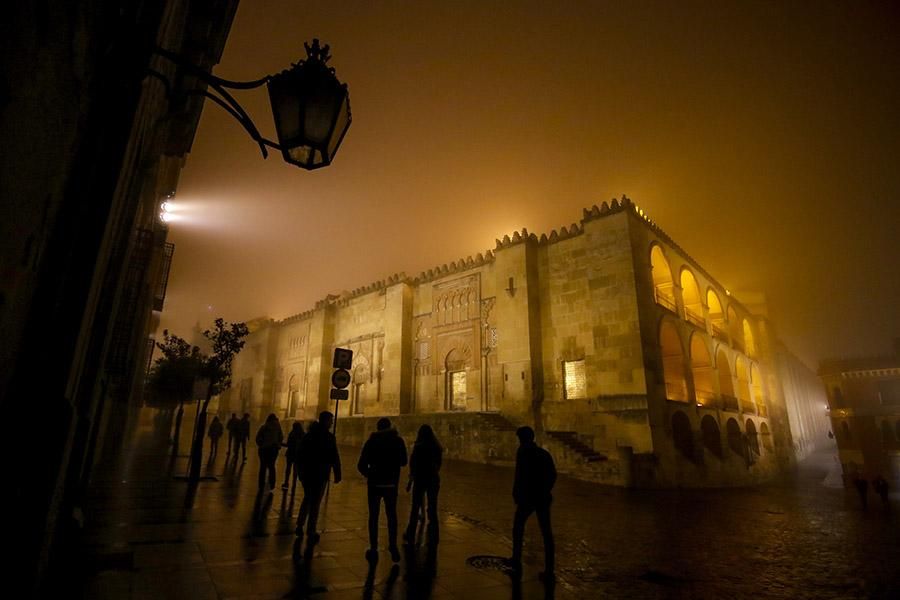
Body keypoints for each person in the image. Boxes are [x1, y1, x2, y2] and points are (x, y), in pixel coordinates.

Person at [358, 417, 408, 563]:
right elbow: (404, 462)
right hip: (391, 484)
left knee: (373, 516)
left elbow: (361, 465)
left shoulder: (371, 442)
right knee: (391, 515)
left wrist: (371, 475)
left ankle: (373, 547)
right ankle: (393, 546)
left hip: (374, 485)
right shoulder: (398, 441)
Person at [509, 426, 556, 580]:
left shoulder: (523, 453)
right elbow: (552, 475)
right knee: (546, 533)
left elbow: (520, 475)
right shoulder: (543, 454)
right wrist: (545, 490)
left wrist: (517, 493)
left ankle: (516, 557)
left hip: (528, 498)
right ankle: (549, 570)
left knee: (518, 527)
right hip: (542, 497)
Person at [295, 412, 342, 545]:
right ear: (325, 421)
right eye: (330, 420)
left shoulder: (309, 435)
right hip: (320, 474)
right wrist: (337, 473)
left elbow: (300, 454)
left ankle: (300, 524)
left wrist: (300, 472)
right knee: (315, 503)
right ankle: (310, 529)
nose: (332, 423)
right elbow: (334, 456)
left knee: (308, 499)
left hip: (308, 474)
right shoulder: (328, 437)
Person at [404, 424, 442, 546]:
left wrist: (411, 478)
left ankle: (410, 533)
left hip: (420, 479)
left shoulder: (418, 447)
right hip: (433, 479)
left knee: (415, 507)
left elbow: (413, 464)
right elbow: (438, 464)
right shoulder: (437, 447)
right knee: (432, 507)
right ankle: (434, 534)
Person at [255, 413, 283, 493]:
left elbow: (258, 438)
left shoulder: (264, 427)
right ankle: (272, 485)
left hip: (264, 449)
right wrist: (278, 444)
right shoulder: (278, 428)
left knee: (263, 467)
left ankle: (261, 485)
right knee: (272, 467)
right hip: (273, 450)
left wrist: (261, 444)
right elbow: (281, 437)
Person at [282, 421, 305, 491]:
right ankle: (294, 483)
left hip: (290, 454)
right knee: (295, 470)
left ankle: (286, 482)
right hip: (298, 455)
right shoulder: (302, 434)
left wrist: (281, 444)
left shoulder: (292, 434)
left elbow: (289, 444)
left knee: (288, 469)